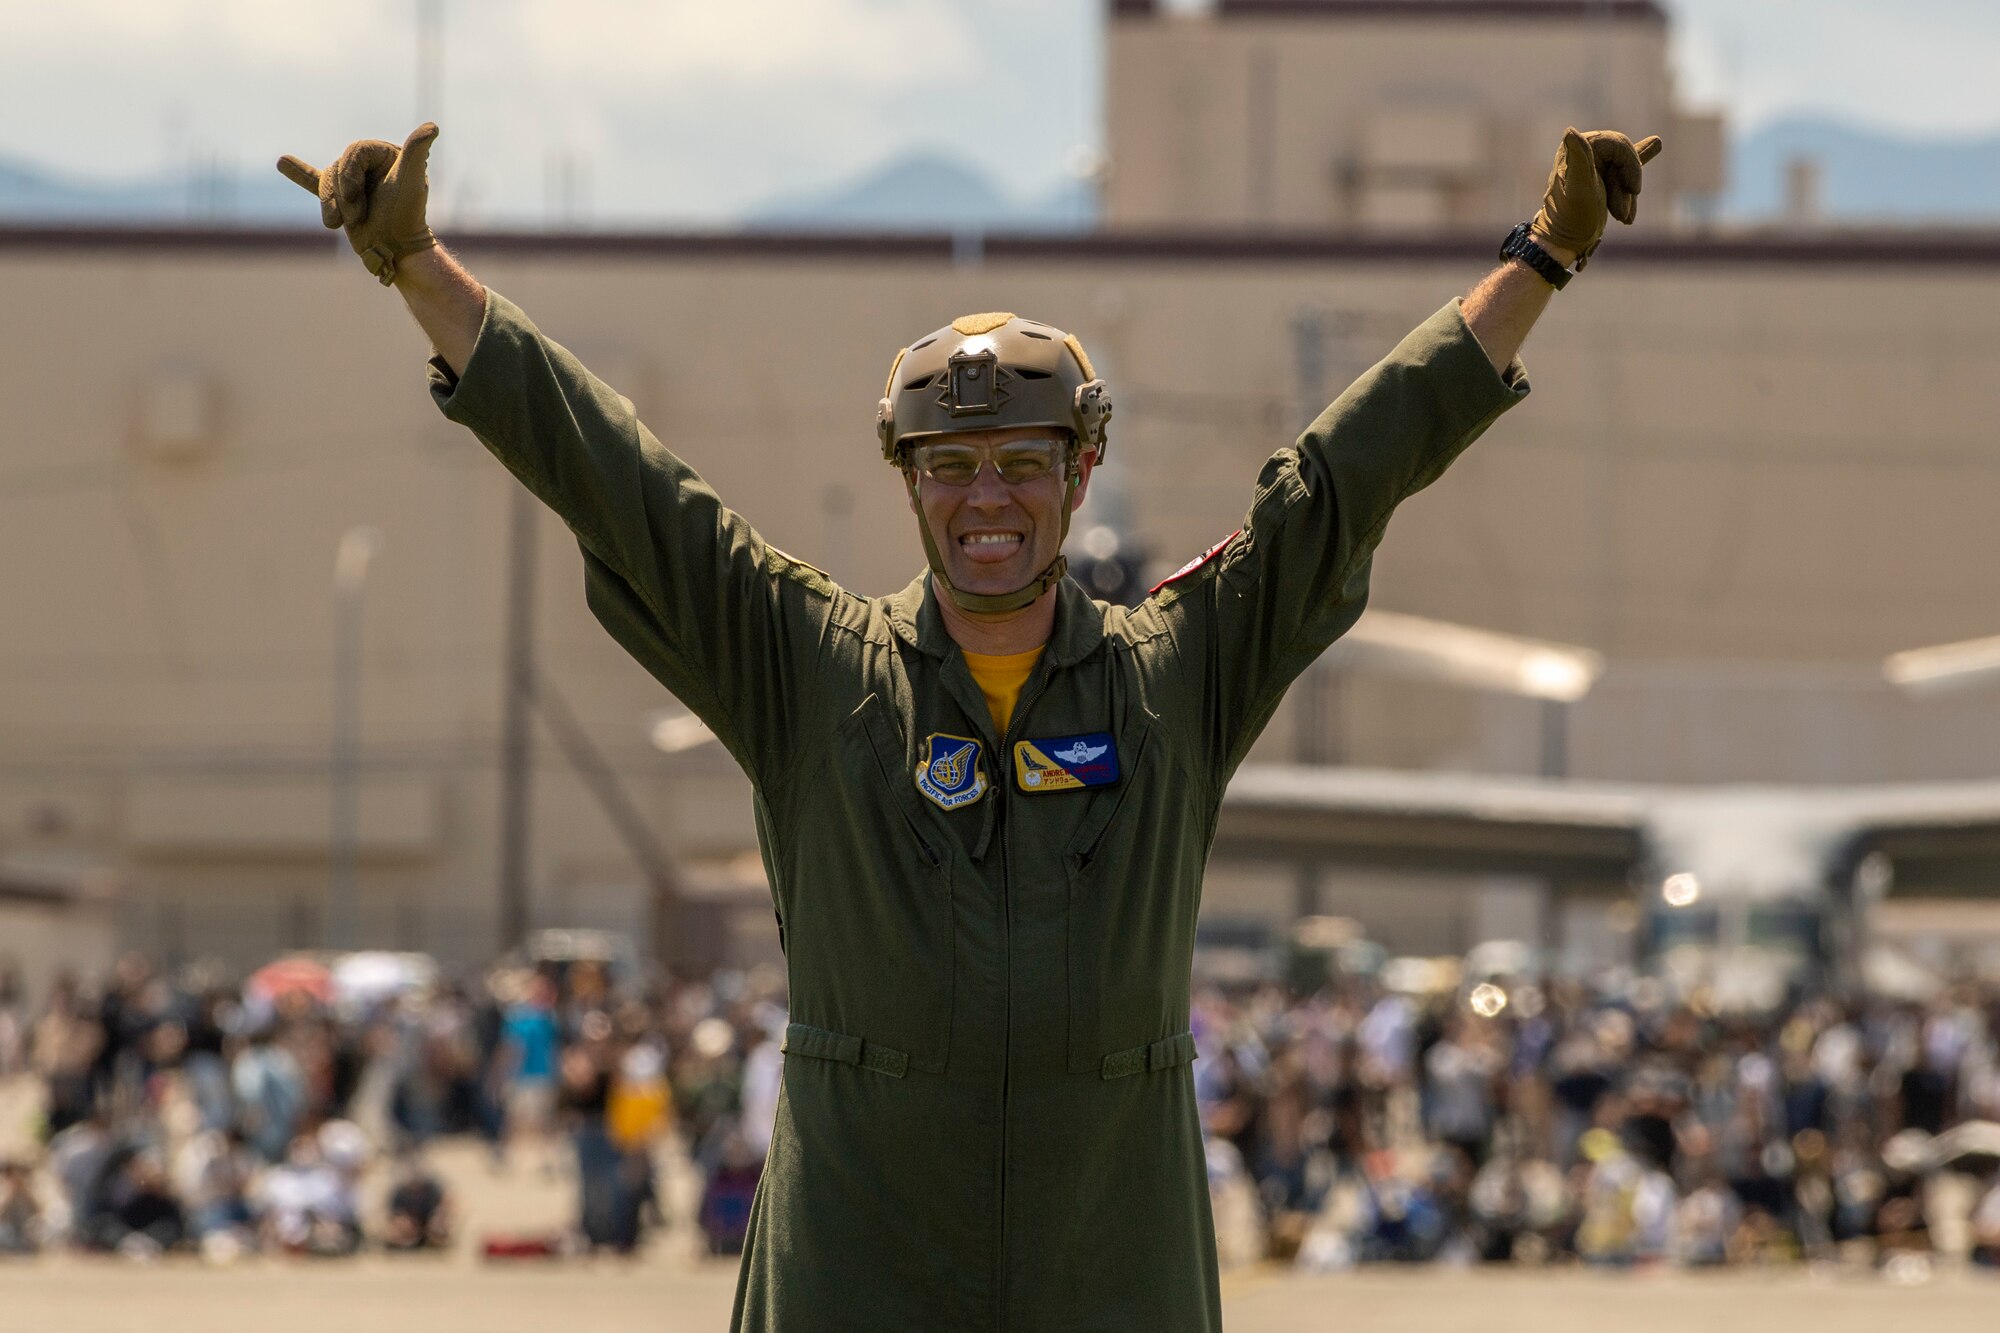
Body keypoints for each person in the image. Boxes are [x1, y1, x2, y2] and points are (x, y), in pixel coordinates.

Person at [279, 117, 1661, 1330]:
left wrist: (1543, 256)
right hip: (860, 1268)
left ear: (1083, 472)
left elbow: (1350, 472)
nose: (985, 497)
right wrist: (415, 265)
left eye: (1020, 463)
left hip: (1107, 1265)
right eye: (950, 465)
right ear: (905, 477)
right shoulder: (810, 665)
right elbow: (616, 476)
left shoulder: (1178, 672)